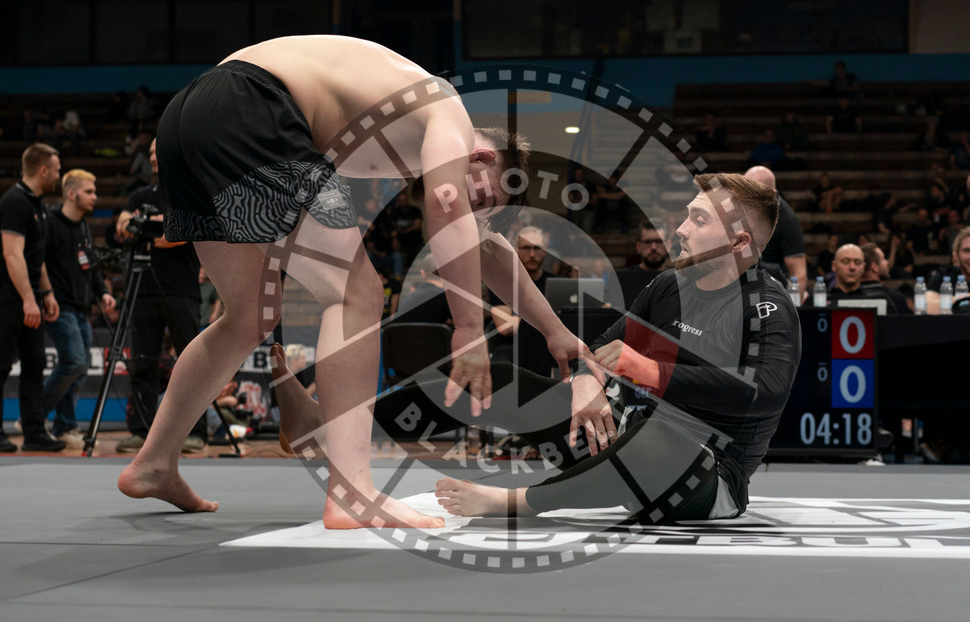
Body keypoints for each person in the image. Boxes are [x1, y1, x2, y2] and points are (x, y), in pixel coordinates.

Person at [117, 35, 593, 530]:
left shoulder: (403, 128)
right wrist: (469, 326)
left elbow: (481, 242)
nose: (473, 213)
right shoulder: (448, 114)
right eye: (485, 199)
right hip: (251, 104)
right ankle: (351, 494)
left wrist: (553, 330)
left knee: (247, 317)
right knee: (356, 293)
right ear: (484, 159)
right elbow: (449, 203)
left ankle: (154, 463)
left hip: (188, 116)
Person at [277, 173, 799, 523]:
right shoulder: (669, 287)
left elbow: (767, 393)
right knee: (494, 378)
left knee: (658, 439)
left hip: (703, 476)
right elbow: (604, 345)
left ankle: (514, 502)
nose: (681, 229)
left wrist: (650, 372)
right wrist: (588, 382)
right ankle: (329, 425)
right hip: (613, 436)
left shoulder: (767, 306)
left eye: (699, 220)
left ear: (738, 244)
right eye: (686, 214)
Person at [113, 138, 208, 455]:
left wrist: (145, 229)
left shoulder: (187, 189)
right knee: (142, 363)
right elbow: (122, 228)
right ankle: (141, 432)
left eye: (157, 152)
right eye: (150, 153)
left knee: (192, 362)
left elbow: (176, 236)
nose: (153, 157)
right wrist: (155, 228)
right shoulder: (141, 194)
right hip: (142, 289)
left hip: (180, 289)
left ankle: (196, 432)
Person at [40, 169, 117, 448]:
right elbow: (38, 262)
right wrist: (46, 296)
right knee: (73, 362)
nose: (95, 197)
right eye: (89, 191)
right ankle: (34, 416)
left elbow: (91, 266)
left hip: (81, 308)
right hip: (58, 307)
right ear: (71, 193)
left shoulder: (83, 226)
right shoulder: (50, 223)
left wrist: (104, 293)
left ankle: (65, 426)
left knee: (79, 369)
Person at [0, 144, 63, 453]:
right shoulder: (14, 202)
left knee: (35, 362)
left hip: (30, 295)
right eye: (57, 169)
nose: (58, 175)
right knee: (0, 364)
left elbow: (35, 258)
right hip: (7, 297)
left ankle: (34, 431)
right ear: (43, 170)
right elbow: (12, 255)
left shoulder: (38, 205)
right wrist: (28, 298)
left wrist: (46, 292)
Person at [488, 225, 560, 373]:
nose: (532, 254)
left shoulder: (557, 284)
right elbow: (505, 326)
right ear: (516, 250)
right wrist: (550, 321)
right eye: (526, 248)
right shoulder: (502, 283)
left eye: (537, 248)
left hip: (551, 354)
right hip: (515, 355)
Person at [744, 166, 806, 298]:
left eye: (756, 194)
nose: (750, 199)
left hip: (772, 288)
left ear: (773, 194)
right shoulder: (737, 207)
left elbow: (799, 273)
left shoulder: (788, 220)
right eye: (746, 192)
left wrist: (793, 310)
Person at [858, 242, 911, 314]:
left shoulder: (849, 296)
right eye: (883, 259)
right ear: (874, 267)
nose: (887, 262)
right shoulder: (895, 298)